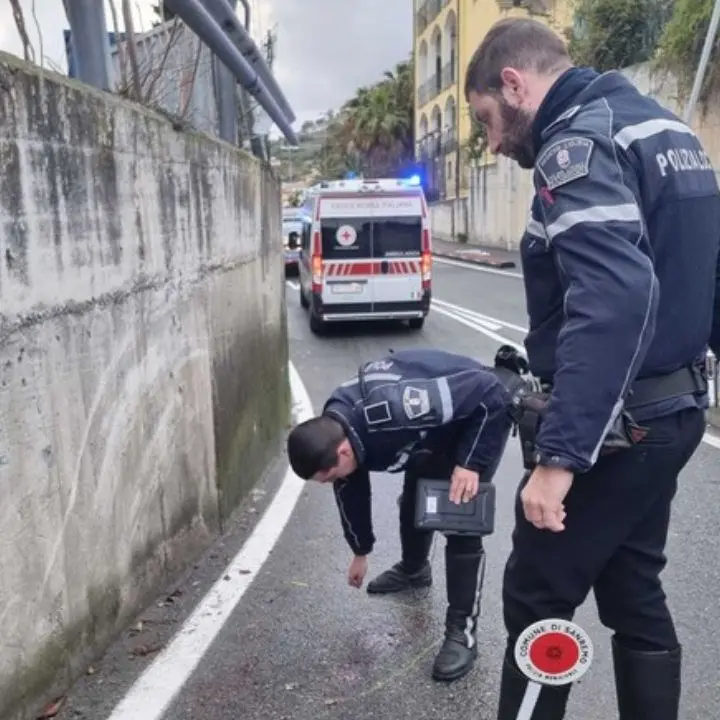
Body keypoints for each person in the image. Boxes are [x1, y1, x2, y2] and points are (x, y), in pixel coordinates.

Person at [464, 18, 720, 720]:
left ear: (513, 84)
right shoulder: (671, 134)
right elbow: (708, 272)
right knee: (633, 586)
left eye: (488, 119)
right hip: (670, 414)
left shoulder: (573, 144)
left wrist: (560, 457)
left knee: (538, 597)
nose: (492, 141)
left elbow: (613, 297)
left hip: (619, 427)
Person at [287, 348, 515, 682]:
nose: (331, 483)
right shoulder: (335, 425)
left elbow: (489, 394)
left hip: (477, 418)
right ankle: (414, 570)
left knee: (460, 521)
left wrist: (470, 464)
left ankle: (461, 634)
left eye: (330, 476)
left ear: (343, 451)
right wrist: (360, 551)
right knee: (415, 498)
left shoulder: (400, 407)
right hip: (429, 437)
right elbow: (350, 489)